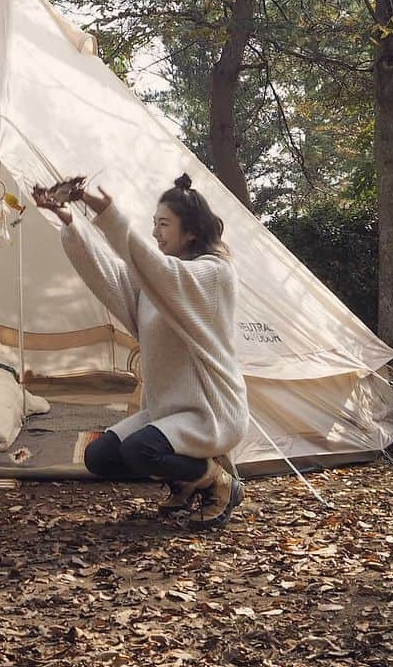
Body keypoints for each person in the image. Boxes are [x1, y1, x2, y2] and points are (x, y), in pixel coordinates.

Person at [35, 173, 248, 529]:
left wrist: (109, 215)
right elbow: (110, 276)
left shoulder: (213, 275)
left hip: (211, 412)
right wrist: (71, 221)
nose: (155, 233)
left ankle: (217, 480)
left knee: (139, 450)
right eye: (153, 224)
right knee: (100, 458)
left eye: (163, 224)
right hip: (168, 411)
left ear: (191, 232)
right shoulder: (155, 280)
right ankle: (184, 480)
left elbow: (160, 271)